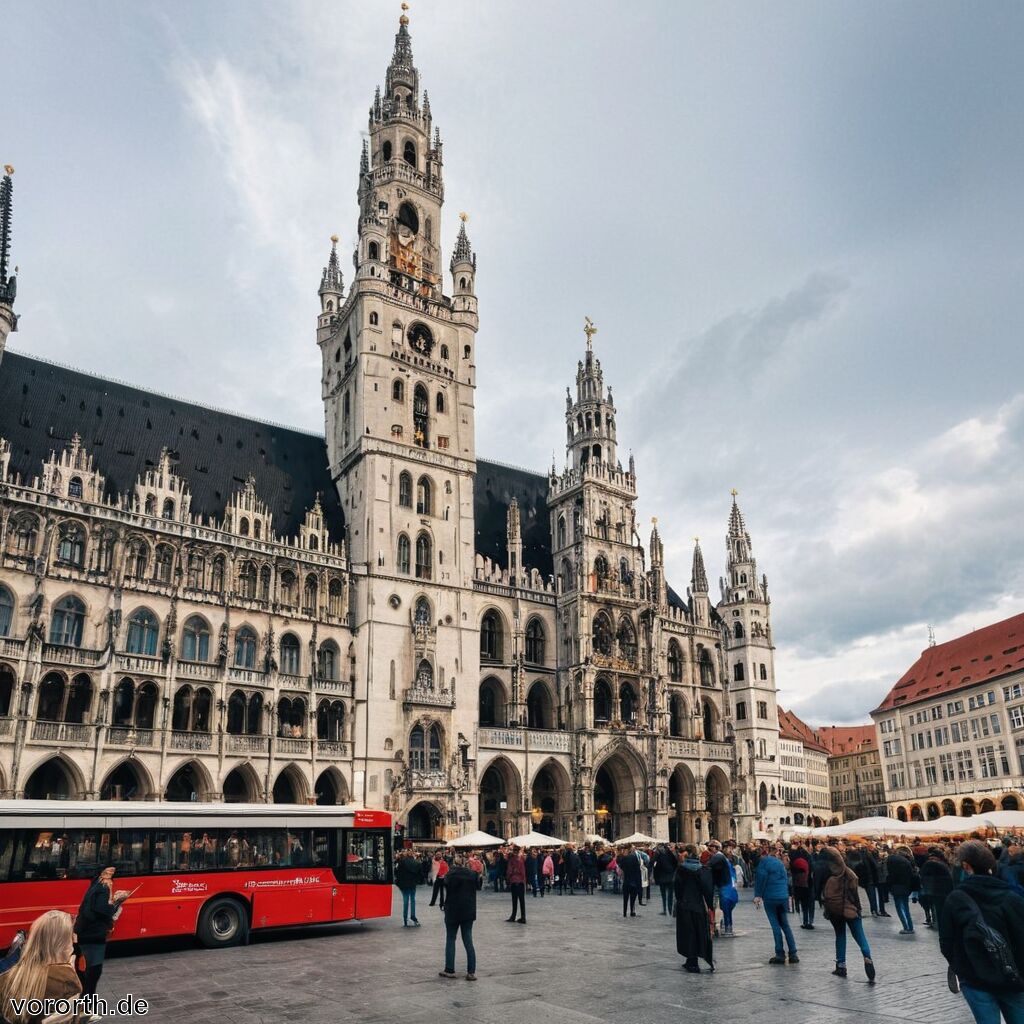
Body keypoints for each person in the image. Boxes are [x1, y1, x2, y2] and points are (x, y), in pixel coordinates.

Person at [940, 840, 1024, 1024]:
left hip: (975, 978)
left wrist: (962, 970)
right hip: (1013, 979)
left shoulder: (955, 899)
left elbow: (946, 942)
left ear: (966, 867)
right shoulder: (1012, 897)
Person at [0, 910, 85, 1024]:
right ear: (61, 944)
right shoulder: (67, 981)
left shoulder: (5, 978)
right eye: (71, 938)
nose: (74, 943)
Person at [821, 845, 876, 982]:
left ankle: (841, 965)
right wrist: (858, 908)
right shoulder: (850, 873)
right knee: (860, 936)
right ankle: (867, 957)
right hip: (851, 910)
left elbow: (824, 896)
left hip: (835, 912)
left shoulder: (827, 875)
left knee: (840, 936)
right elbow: (855, 895)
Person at [75, 866, 129, 999]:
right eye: (108, 872)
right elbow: (102, 910)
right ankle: (86, 1005)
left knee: (85, 968)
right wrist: (116, 904)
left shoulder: (96, 885)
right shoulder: (103, 888)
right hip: (93, 934)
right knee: (93, 970)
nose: (111, 875)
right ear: (102, 873)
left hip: (86, 932)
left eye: (113, 872)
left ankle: (84, 1001)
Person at [754, 846, 798, 964]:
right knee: (785, 925)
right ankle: (793, 953)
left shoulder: (763, 863)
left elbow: (760, 880)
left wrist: (758, 895)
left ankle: (780, 954)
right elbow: (785, 879)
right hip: (783, 896)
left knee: (775, 926)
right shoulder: (779, 863)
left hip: (770, 897)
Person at [674, 845, 714, 973]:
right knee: (698, 932)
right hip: (698, 906)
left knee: (687, 933)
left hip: (684, 905)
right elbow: (708, 890)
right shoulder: (703, 870)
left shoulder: (681, 870)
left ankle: (692, 961)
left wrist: (679, 900)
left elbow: (677, 888)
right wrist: (710, 905)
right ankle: (692, 960)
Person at [438, 855, 478, 981]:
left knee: (451, 939)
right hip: (468, 911)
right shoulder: (472, 875)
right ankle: (471, 972)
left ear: (453, 864)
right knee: (468, 940)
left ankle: (449, 969)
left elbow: (444, 890)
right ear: (465, 863)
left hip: (453, 911)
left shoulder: (449, 876)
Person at [920, 846, 954, 930]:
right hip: (944, 891)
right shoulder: (944, 864)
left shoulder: (931, 864)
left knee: (937, 909)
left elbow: (922, 874)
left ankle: (938, 924)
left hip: (935, 891)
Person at [887, 845, 919, 935]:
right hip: (906, 887)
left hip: (896, 886)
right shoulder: (908, 861)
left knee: (899, 907)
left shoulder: (892, 861)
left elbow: (889, 875)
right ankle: (910, 926)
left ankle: (906, 927)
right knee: (906, 907)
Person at [395, 849, 422, 927]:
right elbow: (421, 874)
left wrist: (398, 883)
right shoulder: (417, 863)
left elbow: (397, 873)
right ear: (413, 855)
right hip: (412, 884)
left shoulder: (402, 862)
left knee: (405, 901)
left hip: (404, 884)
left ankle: (405, 919)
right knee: (413, 900)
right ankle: (413, 917)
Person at [790, 843, 814, 929]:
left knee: (799, 903)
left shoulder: (794, 858)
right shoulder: (808, 858)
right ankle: (808, 921)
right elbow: (812, 869)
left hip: (797, 884)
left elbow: (791, 871)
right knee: (807, 905)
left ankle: (803, 921)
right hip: (807, 883)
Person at [618, 846, 643, 918]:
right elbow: (638, 870)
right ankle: (632, 911)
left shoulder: (624, 858)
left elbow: (621, 867)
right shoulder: (635, 858)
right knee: (632, 898)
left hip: (626, 881)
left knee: (625, 898)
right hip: (634, 881)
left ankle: (624, 912)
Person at [653, 843, 677, 916]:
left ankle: (665, 910)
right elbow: (675, 864)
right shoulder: (670, 854)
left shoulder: (658, 855)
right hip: (670, 877)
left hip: (662, 878)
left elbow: (656, 867)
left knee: (664, 895)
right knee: (670, 895)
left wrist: (655, 878)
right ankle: (669, 910)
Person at [506, 846, 527, 924]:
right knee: (522, 901)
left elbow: (509, 871)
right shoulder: (521, 859)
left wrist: (508, 878)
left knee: (514, 900)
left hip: (514, 881)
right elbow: (523, 872)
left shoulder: (512, 860)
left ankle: (513, 916)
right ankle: (523, 917)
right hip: (521, 882)